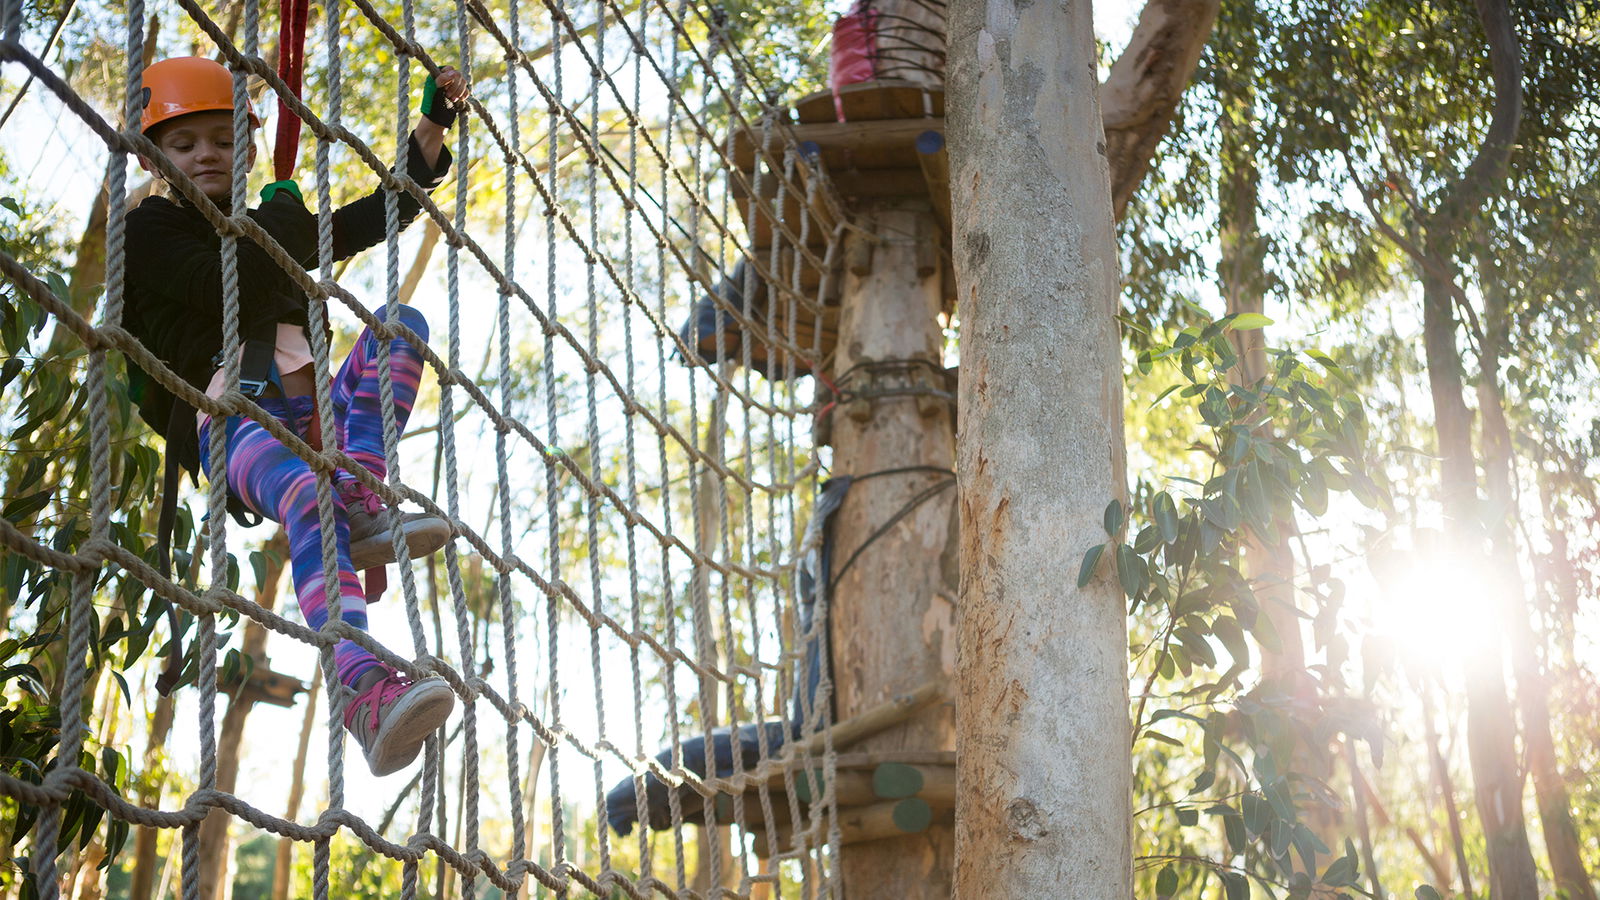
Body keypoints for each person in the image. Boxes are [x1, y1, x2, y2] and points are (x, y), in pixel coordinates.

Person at [123, 55, 468, 776]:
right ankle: (364, 693)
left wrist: (432, 127)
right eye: (184, 145)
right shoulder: (148, 229)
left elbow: (376, 216)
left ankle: (362, 497)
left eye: (222, 139)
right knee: (304, 492)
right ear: (155, 156)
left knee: (400, 326)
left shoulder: (261, 229)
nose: (206, 155)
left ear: (246, 147)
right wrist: (281, 219)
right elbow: (231, 287)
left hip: (316, 422)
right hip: (228, 419)